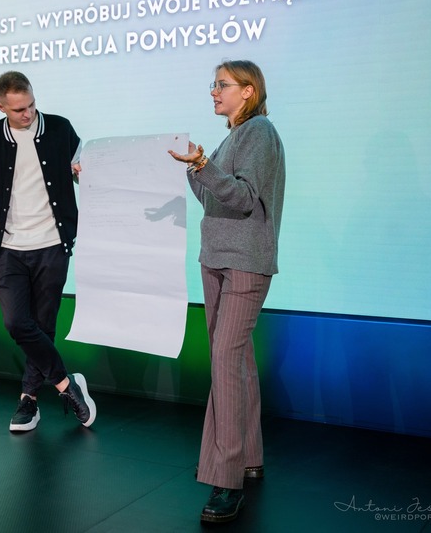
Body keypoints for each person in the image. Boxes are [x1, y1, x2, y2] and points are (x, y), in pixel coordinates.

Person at [168, 60, 285, 523]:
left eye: (222, 84)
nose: (213, 91)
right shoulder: (231, 137)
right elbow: (214, 198)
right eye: (213, 84)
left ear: (248, 91)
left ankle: (227, 478)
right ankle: (250, 458)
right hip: (216, 258)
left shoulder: (259, 132)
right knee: (237, 361)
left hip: (244, 262)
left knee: (223, 362)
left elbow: (243, 198)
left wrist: (202, 165)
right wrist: (196, 169)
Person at [0, 70, 96, 432]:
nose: (28, 114)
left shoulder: (60, 129)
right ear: (1, 107)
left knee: (43, 325)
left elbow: (83, 175)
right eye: (18, 110)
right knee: (16, 322)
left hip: (52, 244)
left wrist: (82, 172)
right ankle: (67, 385)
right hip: (9, 247)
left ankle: (29, 400)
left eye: (31, 105)